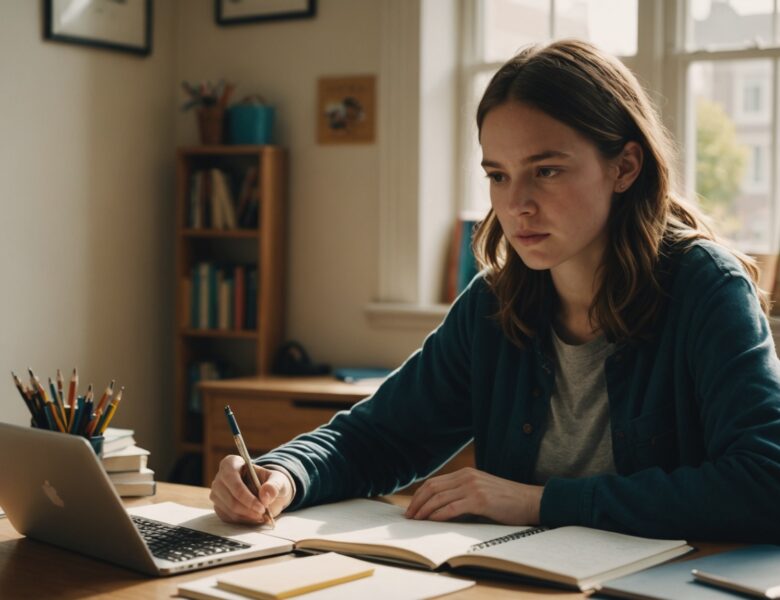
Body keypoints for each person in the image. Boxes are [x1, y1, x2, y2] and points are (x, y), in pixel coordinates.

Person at [210, 39, 780, 541]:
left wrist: (537, 502)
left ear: (625, 166)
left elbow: (766, 482)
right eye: (498, 175)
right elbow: (378, 436)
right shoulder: (494, 303)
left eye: (547, 170)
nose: (516, 204)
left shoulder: (706, 288)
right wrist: (282, 474)